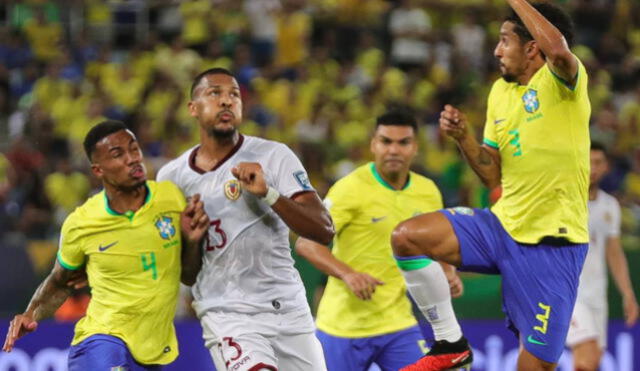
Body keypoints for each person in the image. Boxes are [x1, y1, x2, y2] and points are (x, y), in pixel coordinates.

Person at [391, 1, 590, 370]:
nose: (497, 50)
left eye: (504, 41)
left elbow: (559, 50)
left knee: (532, 367)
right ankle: (450, 344)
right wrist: (464, 137)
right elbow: (491, 173)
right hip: (501, 227)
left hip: (552, 247)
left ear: (532, 48)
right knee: (407, 237)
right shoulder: (500, 91)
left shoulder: (563, 82)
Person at [156, 67, 334, 371]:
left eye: (234, 95)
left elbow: (323, 229)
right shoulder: (172, 178)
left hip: (288, 308)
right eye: (215, 93)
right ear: (193, 108)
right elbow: (186, 275)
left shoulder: (274, 156)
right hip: (227, 313)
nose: (227, 101)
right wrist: (193, 241)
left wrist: (269, 194)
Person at [2, 120, 210, 370]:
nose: (132, 158)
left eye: (134, 149)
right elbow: (60, 281)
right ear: (98, 170)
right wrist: (31, 313)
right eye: (117, 154)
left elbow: (188, 275)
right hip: (101, 341)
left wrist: (192, 241)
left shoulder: (171, 198)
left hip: (151, 352)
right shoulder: (82, 223)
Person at [295, 109, 469, 371]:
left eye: (403, 142)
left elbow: (437, 243)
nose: (394, 150)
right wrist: (349, 275)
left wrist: (448, 271)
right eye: (386, 141)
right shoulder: (350, 189)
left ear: (415, 148)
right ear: (373, 145)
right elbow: (306, 243)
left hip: (398, 324)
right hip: (342, 328)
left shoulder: (428, 192)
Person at [566, 142, 639, 371]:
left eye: (598, 162)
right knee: (586, 361)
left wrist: (627, 293)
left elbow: (614, 252)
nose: (592, 168)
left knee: (592, 361)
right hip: (570, 293)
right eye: (588, 161)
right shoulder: (565, 201)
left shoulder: (610, 205)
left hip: (597, 294)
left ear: (606, 166)